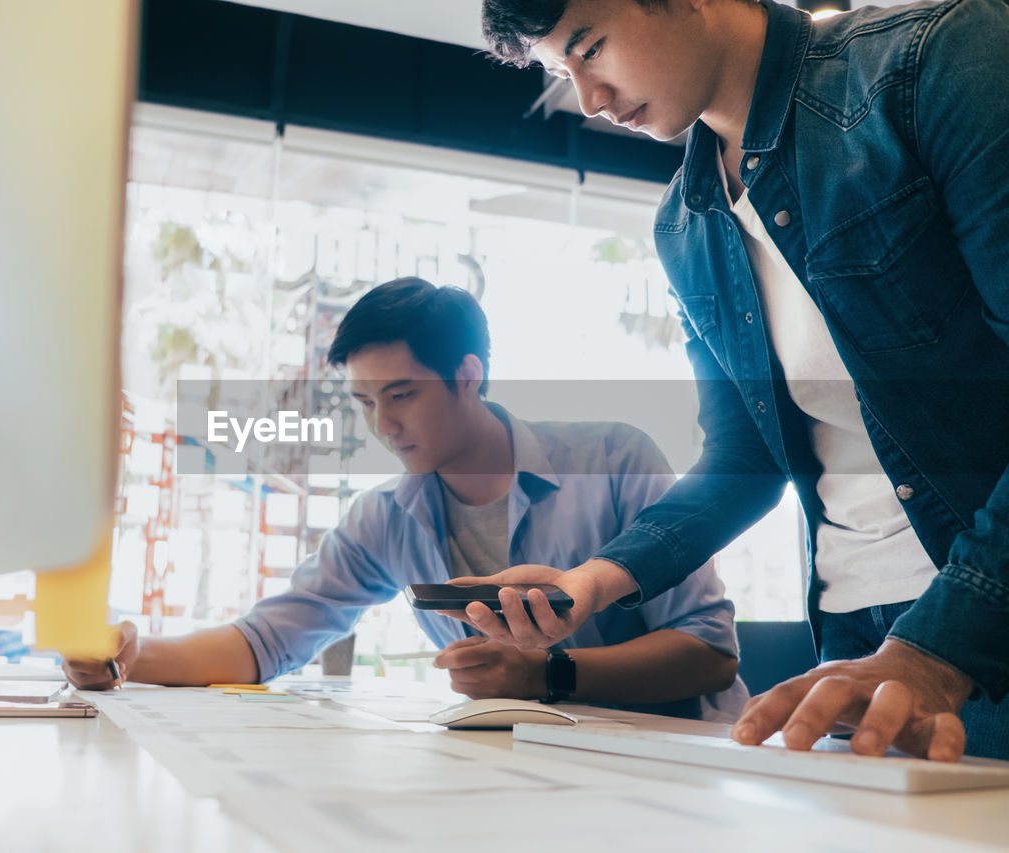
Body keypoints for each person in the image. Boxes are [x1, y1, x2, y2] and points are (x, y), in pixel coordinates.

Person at [469, 0, 1009, 759]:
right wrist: (590, 581)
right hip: (855, 635)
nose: (590, 99)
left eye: (590, 48)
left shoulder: (933, 62)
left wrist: (938, 647)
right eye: (564, 72)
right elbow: (746, 458)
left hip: (977, 625)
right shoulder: (684, 226)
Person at [65, 277, 747, 720]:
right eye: (364, 402)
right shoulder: (386, 517)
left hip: (673, 759)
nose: (382, 425)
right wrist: (127, 652)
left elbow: (710, 649)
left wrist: (545, 672)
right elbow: (267, 639)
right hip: (521, 772)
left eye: (401, 395)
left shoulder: (615, 457)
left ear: (468, 375)